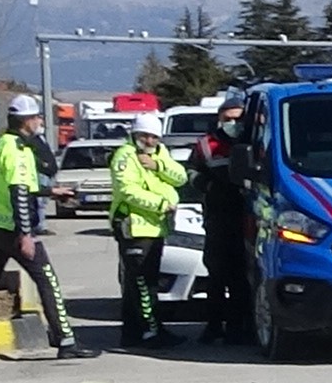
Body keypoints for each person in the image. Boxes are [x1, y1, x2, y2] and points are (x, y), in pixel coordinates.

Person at [0, 93, 88, 362]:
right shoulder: (20, 151)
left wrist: (51, 191)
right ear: (27, 121)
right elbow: (19, 192)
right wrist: (26, 234)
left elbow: (18, 186)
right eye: (37, 117)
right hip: (14, 229)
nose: (40, 122)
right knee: (47, 279)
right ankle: (66, 340)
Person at [107, 116, 187, 346]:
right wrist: (161, 204)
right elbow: (128, 190)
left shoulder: (159, 153)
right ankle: (151, 331)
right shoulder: (125, 155)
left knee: (145, 282)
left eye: (154, 137)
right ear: (135, 135)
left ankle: (133, 333)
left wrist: (158, 165)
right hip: (135, 226)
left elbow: (180, 177)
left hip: (155, 227)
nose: (149, 141)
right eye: (145, 136)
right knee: (142, 283)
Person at [195, 93, 261, 345]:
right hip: (218, 217)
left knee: (242, 278)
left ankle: (239, 327)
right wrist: (206, 185)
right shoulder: (206, 145)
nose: (233, 123)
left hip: (246, 217)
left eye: (238, 119)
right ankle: (213, 326)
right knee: (216, 276)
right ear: (220, 119)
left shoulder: (252, 143)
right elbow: (191, 173)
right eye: (228, 119)